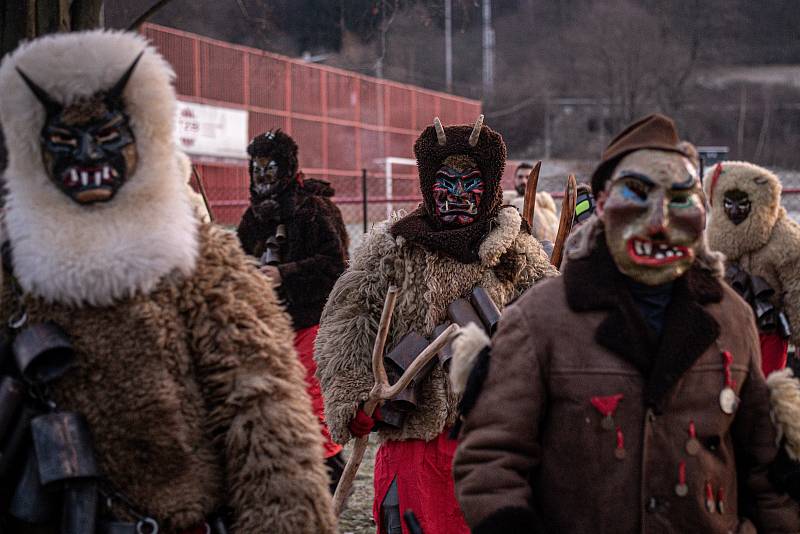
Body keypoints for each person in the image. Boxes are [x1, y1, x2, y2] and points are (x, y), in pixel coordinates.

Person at [0, 30, 336, 533]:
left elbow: (266, 424)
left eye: (110, 138)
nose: (90, 158)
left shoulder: (205, 270)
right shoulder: (11, 280)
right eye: (66, 143)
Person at [453, 113, 800, 533]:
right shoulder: (539, 319)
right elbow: (491, 462)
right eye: (636, 193)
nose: (659, 221)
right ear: (601, 207)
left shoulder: (731, 316)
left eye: (680, 197)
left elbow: (763, 470)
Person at [315, 116, 556, 534]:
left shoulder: (515, 250)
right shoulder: (391, 248)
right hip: (412, 444)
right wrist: (353, 397)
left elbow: (556, 321)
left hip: (493, 445)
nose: (458, 195)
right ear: (429, 184)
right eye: (447, 182)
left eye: (470, 183)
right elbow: (346, 323)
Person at [236, 129, 349, 492]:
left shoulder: (314, 211)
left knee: (314, 413)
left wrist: (284, 273)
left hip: (312, 325)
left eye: (270, 169)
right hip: (268, 329)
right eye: (257, 170)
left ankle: (325, 491)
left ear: (286, 169)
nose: (263, 178)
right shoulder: (252, 219)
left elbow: (336, 265)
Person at [704, 161, 800, 376]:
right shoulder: (714, 236)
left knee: (767, 385)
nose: (735, 210)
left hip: (769, 329)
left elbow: (796, 286)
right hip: (727, 326)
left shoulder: (784, 240)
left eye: (742, 204)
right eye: (728, 204)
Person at [504, 161, 559, 242]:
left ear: (535, 180)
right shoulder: (504, 201)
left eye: (528, 177)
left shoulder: (545, 204)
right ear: (514, 179)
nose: (523, 181)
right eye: (520, 177)